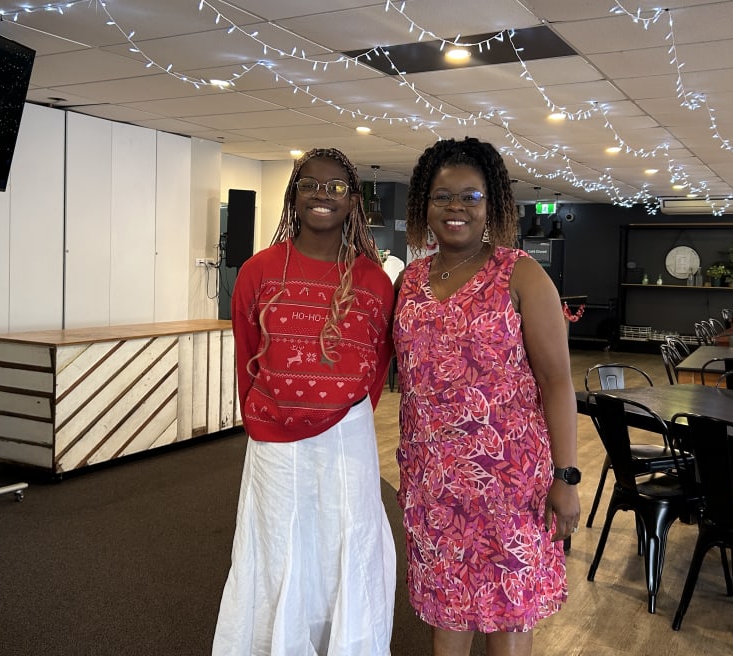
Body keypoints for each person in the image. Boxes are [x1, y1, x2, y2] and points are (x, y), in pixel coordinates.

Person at [392, 137, 580, 656]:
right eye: (442, 196)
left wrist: (566, 477)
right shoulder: (409, 282)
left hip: (509, 482)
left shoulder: (521, 274)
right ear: (422, 206)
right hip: (433, 483)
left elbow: (558, 382)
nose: (456, 207)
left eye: (471, 197)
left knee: (509, 614)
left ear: (492, 204)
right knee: (445, 610)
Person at [212, 148, 396, 656]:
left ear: (353, 200)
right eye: (310, 184)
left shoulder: (374, 281)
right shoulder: (258, 270)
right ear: (293, 195)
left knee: (345, 544)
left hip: (346, 437)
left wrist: (338, 408)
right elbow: (247, 351)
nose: (322, 194)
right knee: (276, 546)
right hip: (273, 439)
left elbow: (377, 364)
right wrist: (267, 411)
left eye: (336, 187)